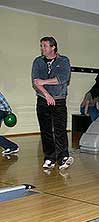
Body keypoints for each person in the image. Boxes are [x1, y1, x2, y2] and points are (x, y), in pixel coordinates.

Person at [31, 36, 73, 170]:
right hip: (43, 99)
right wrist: (47, 94)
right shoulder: (38, 62)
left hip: (59, 100)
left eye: (44, 46)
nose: (42, 48)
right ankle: (49, 158)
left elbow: (63, 78)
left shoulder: (63, 61)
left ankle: (63, 158)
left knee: (60, 130)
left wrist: (43, 82)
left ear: (53, 47)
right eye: (41, 46)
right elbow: (35, 82)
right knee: (46, 130)